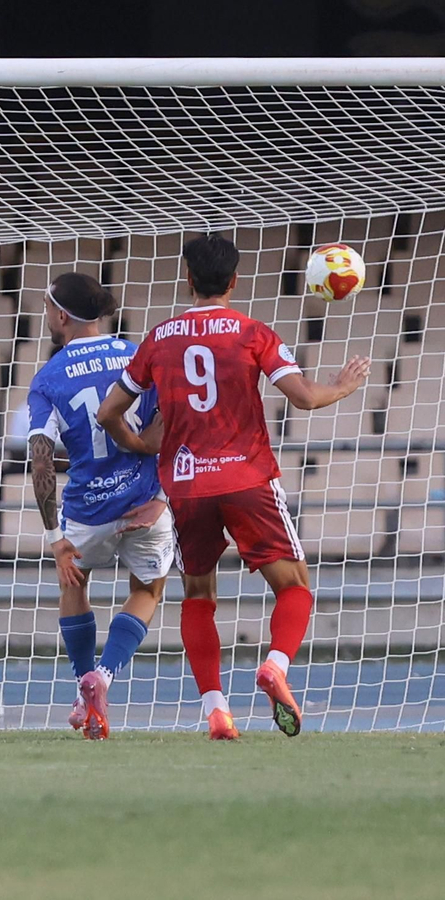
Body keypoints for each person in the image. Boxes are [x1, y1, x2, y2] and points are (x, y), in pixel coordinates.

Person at [98, 234, 372, 740]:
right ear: (234, 281)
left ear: (187, 279)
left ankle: (217, 709)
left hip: (186, 486)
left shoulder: (158, 338)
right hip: (247, 479)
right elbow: (305, 398)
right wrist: (344, 385)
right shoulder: (254, 333)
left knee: (198, 594)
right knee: (294, 586)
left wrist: (138, 444)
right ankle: (275, 666)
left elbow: (107, 411)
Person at [25, 272, 171, 740]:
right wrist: (164, 498)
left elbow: (41, 459)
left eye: (48, 306)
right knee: (148, 590)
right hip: (143, 503)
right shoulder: (137, 354)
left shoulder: (47, 379)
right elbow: (178, 416)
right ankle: (103, 678)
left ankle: (80, 687)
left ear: (62, 315)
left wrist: (56, 539)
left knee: (75, 581)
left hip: (86, 511)